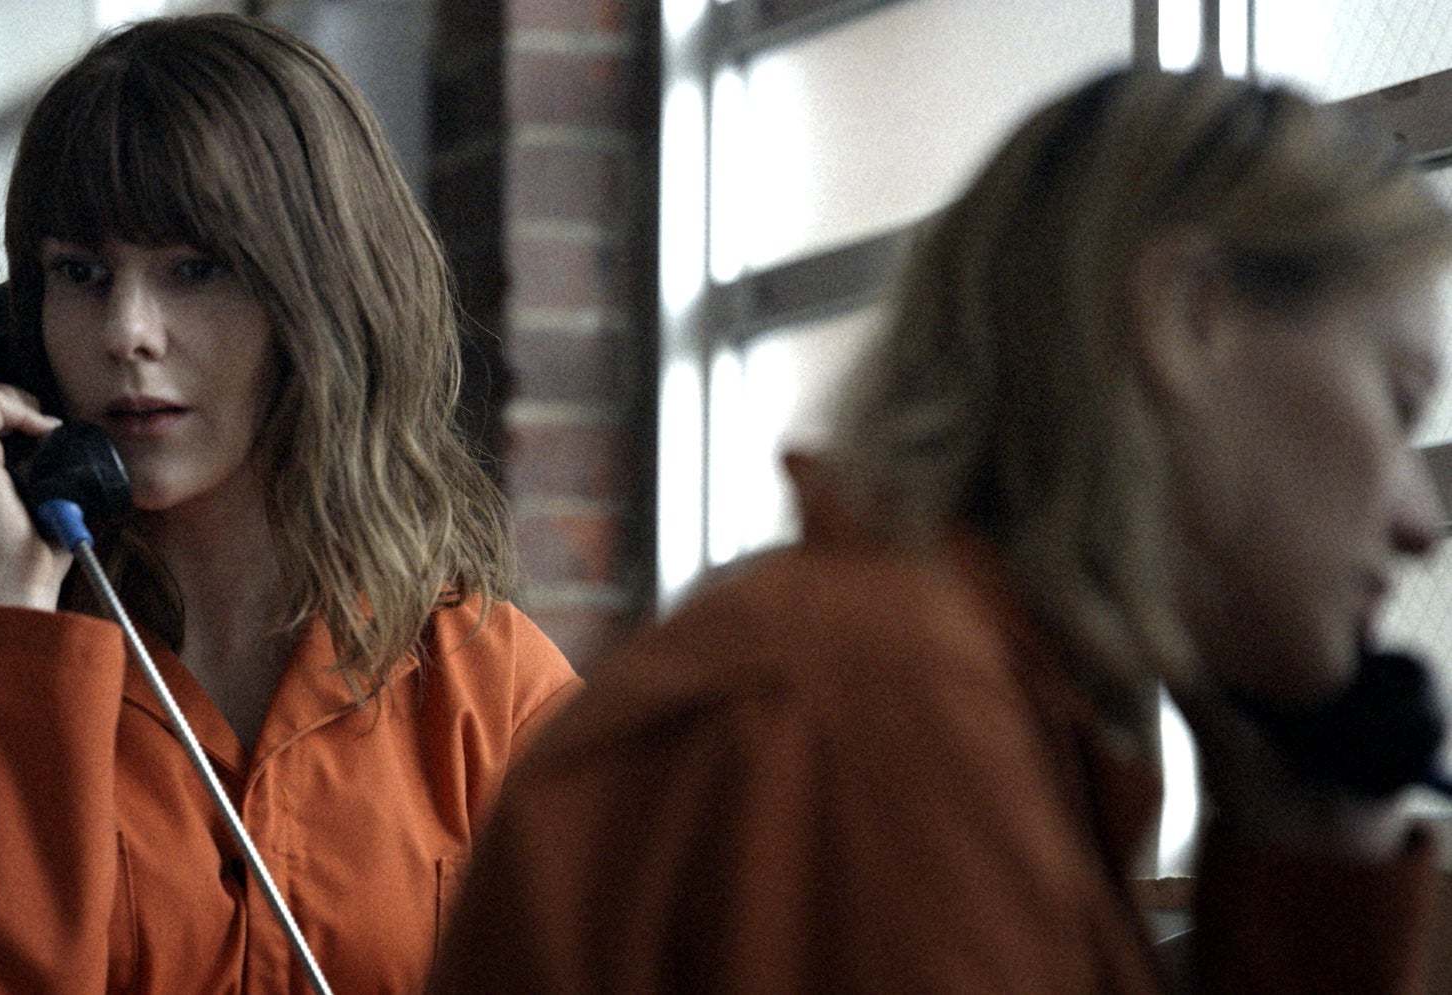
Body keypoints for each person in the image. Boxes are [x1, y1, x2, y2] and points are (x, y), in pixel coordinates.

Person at [431, 69, 1452, 993]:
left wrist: (1313, 862)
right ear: (1189, 315)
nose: (1422, 522)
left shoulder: (969, 696)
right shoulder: (883, 712)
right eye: (1400, 404)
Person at [0, 13, 580, 992]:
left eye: (194, 269)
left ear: (322, 303)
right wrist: (18, 631)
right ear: (15, 330)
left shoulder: (486, 685)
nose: (127, 331)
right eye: (81, 274)